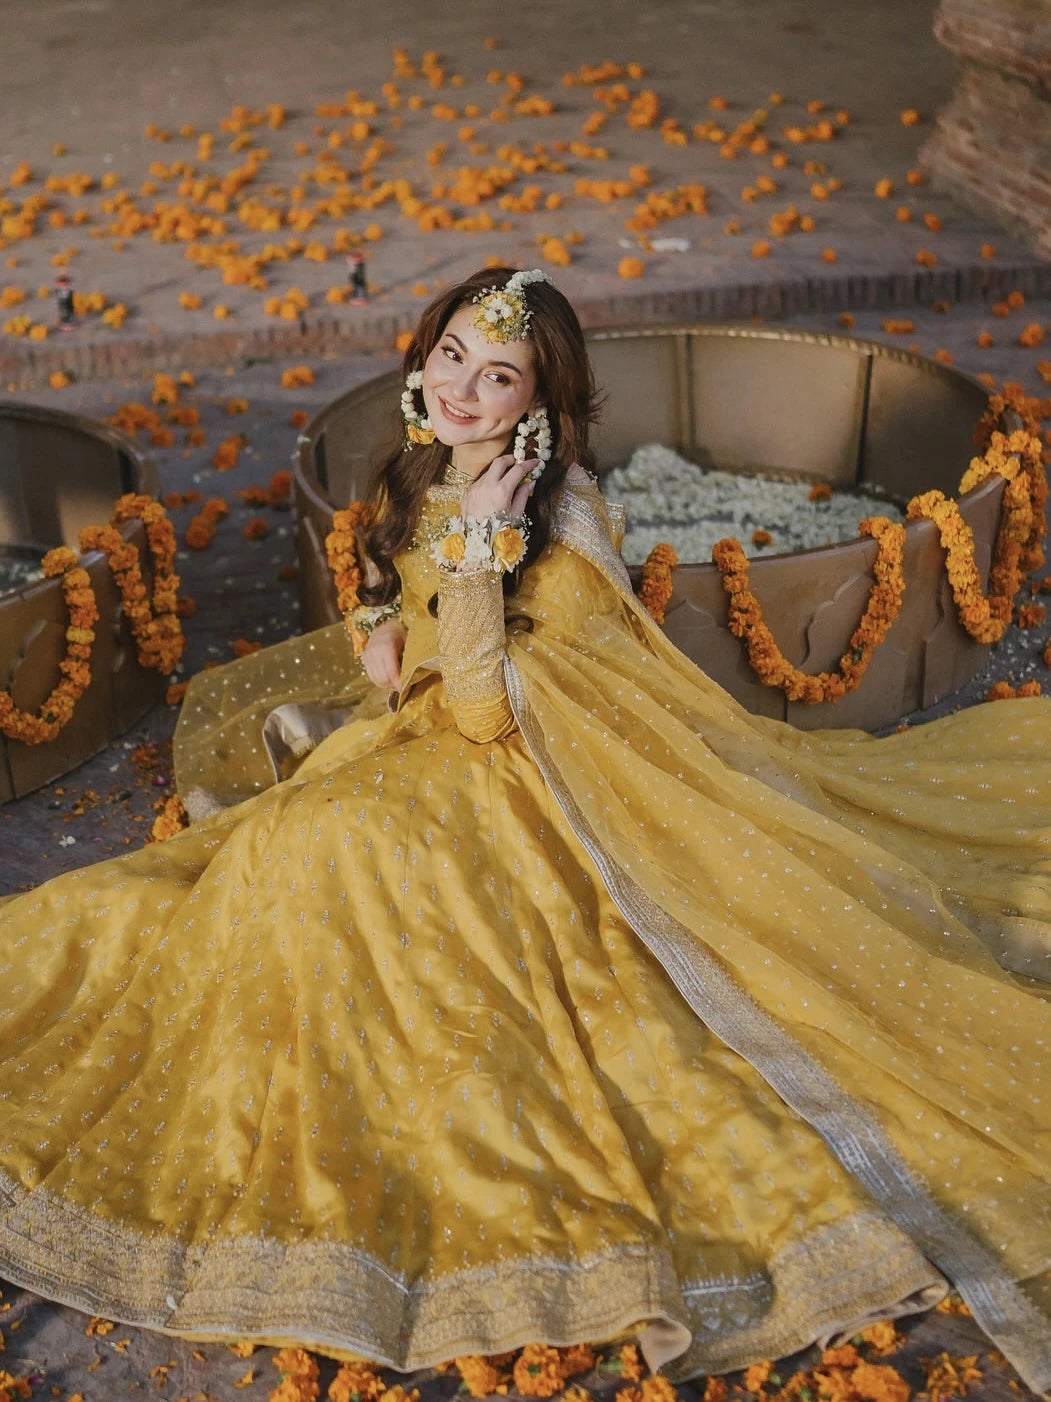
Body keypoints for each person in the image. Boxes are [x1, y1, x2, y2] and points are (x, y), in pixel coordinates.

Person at [0, 267, 1049, 1392]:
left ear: (539, 403)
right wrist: (379, 627)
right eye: (450, 355)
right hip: (413, 730)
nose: (461, 387)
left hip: (524, 765)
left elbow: (490, 711)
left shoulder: (558, 516)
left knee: (333, 853)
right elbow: (385, 576)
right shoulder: (430, 457)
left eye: (497, 376)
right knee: (256, 865)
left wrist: (476, 554)